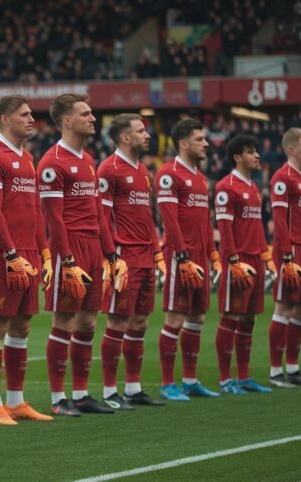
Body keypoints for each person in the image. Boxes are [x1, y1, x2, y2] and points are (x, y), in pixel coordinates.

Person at [38, 93, 122, 417]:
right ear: (67, 120)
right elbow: (54, 219)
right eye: (85, 113)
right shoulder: (51, 163)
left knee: (88, 321)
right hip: (68, 247)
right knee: (64, 320)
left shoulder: (88, 161)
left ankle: (83, 394)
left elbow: (100, 212)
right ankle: (59, 398)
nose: (93, 118)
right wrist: (67, 260)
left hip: (93, 248)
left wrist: (111, 254)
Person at [0, 95, 53, 425]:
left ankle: (17, 402)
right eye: (24, 114)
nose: (31, 118)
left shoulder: (28, 157)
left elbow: (35, 210)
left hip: (31, 253)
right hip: (5, 255)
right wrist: (10, 255)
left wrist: (45, 253)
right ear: (5, 119)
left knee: (22, 325)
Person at [97, 114, 166, 409]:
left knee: (140, 322)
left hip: (146, 256)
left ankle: (134, 388)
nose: (147, 135)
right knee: (117, 322)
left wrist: (157, 252)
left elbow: (147, 217)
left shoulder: (143, 171)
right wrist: (111, 256)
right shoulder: (109, 170)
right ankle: (110, 391)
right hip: (123, 257)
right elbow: (102, 217)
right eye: (141, 131)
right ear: (125, 137)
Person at [155, 118, 221, 401]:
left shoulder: (200, 178)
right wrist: (182, 257)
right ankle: (168, 384)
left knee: (197, 317)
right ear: (183, 143)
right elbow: (169, 221)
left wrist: (212, 256)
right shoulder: (168, 174)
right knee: (175, 317)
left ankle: (191, 380)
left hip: (200, 257)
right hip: (179, 257)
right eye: (200, 139)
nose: (206, 144)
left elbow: (205, 222)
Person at [213, 135, 276, 394]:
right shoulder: (225, 187)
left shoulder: (253, 188)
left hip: (255, 260)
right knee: (231, 316)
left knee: (249, 318)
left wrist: (266, 257)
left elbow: (257, 226)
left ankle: (244, 376)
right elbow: (225, 229)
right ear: (238, 157)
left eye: (257, 151)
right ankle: (226, 379)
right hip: (237, 260)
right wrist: (234, 261)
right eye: (251, 152)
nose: (257, 156)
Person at [267, 128, 301, 387]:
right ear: (291, 150)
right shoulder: (282, 178)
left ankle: (293, 368)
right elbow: (279, 222)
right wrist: (287, 257)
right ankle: (276, 372)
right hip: (290, 253)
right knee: (284, 308)